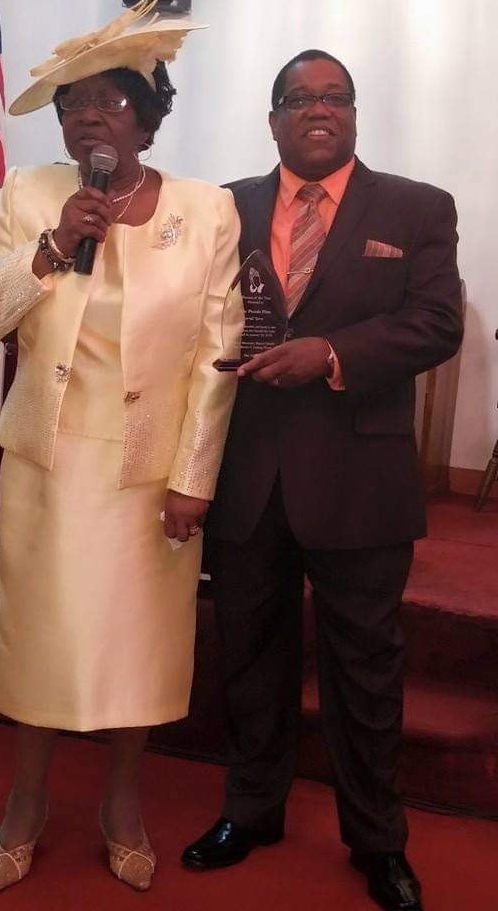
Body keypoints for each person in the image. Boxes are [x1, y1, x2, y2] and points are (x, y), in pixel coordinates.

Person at [181, 49, 463, 911]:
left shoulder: (415, 207)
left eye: (335, 97)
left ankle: (378, 842)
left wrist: (334, 354)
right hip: (247, 478)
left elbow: (436, 323)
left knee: (365, 672)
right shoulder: (224, 207)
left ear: (353, 115)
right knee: (252, 659)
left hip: (359, 483)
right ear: (272, 120)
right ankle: (252, 809)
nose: (319, 109)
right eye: (299, 98)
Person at [0, 3, 240, 894]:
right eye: (72, 105)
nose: (87, 117)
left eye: (109, 102)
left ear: (147, 115)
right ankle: (27, 801)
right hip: (51, 463)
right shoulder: (34, 196)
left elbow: (216, 356)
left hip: (150, 472)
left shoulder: (207, 212)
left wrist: (195, 478)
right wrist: (51, 249)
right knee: (43, 640)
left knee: (138, 649)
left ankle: (123, 802)